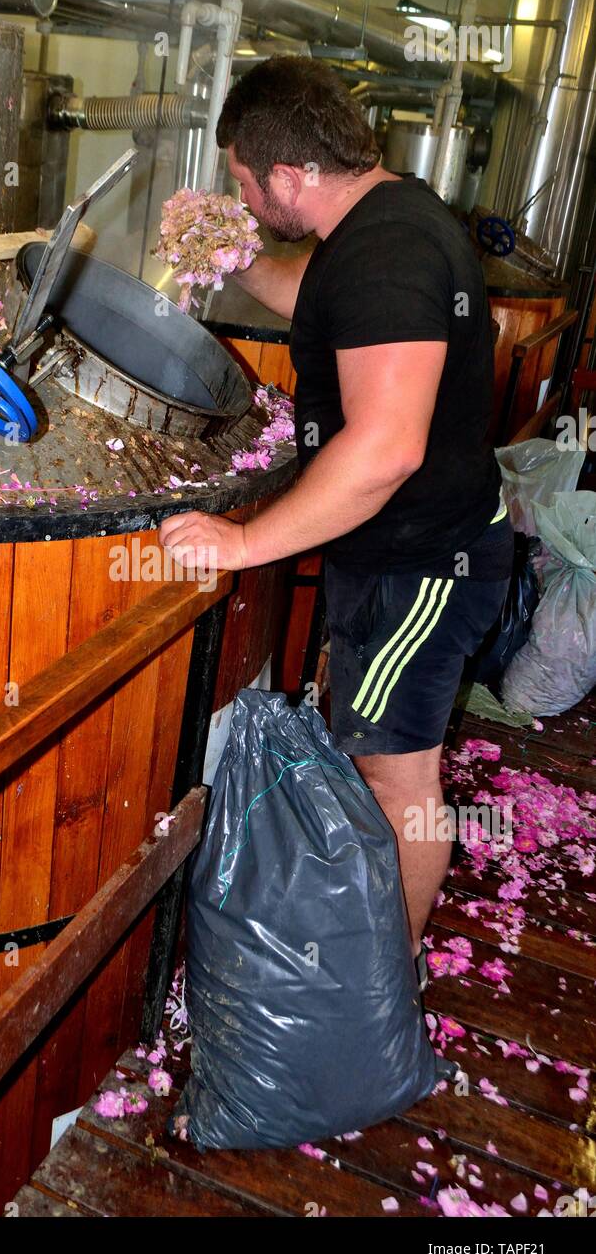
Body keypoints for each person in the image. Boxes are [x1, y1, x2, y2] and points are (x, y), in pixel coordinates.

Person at [159, 56, 514, 979]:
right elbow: (326, 301)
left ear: (287, 176)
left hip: (424, 569)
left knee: (401, 785)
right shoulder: (379, 220)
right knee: (380, 765)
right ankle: (374, 962)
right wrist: (233, 256)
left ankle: (380, 990)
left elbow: (387, 447)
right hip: (408, 554)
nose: (240, 199)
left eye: (242, 185)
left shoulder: (389, 255)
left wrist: (242, 541)